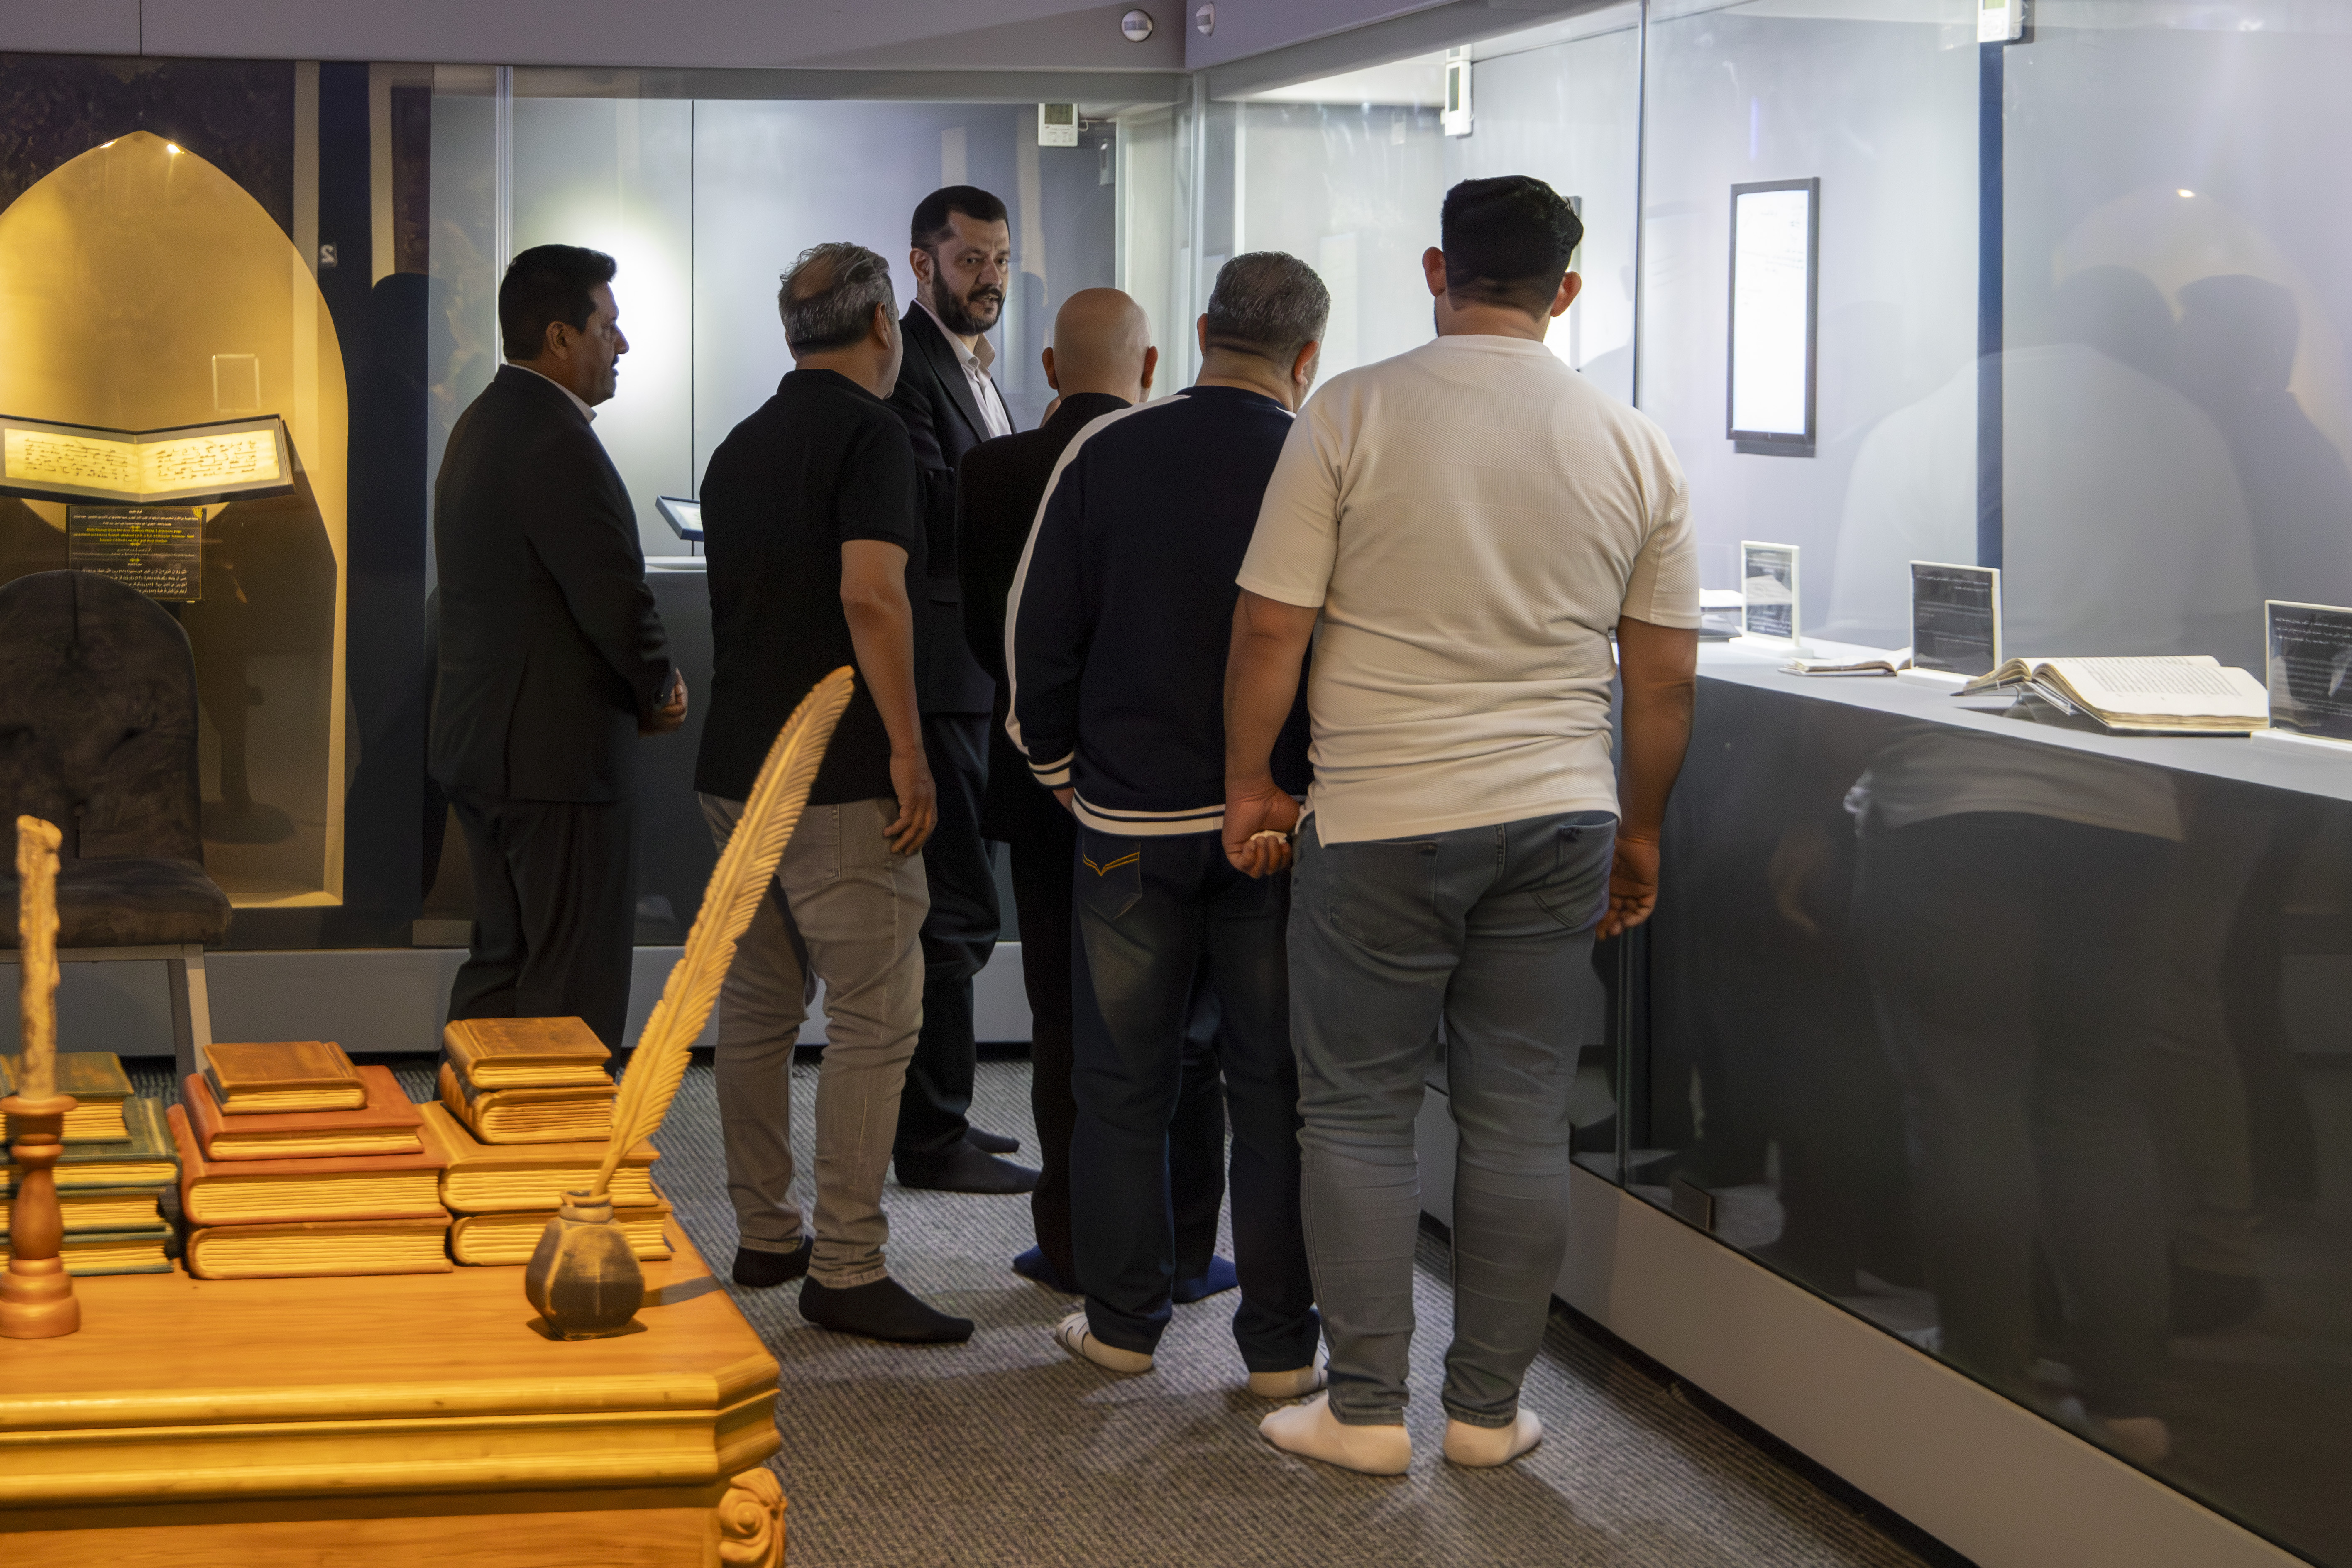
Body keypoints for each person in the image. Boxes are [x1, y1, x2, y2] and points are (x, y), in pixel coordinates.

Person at [1222, 177, 1700, 1473]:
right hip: (1560, 814)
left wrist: (1252, 780)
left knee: (1358, 1113)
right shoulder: (1633, 442)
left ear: (1438, 269)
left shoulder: (1350, 409)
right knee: (1521, 1117)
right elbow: (1662, 681)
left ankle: (1366, 1410)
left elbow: (1270, 627)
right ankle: (1488, 1414)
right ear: (1567, 289)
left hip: (1382, 813)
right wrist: (1641, 832)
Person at [1012, 254, 1330, 1397]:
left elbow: (1036, 639)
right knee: (1274, 1091)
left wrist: (1068, 778)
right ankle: (1281, 1351)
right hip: (1280, 823)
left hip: (1128, 821)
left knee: (1120, 1083)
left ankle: (1123, 1326)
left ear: (1198, 333)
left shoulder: (1105, 449)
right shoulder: (1321, 456)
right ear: (1308, 358)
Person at [693, 242, 967, 1345]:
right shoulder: (873, 434)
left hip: (734, 765)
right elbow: (871, 596)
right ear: (883, 327)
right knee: (875, 1015)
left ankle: (767, 1233)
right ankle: (848, 1265)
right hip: (841, 770)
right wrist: (907, 747)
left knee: (758, 1008)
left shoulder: (740, 443)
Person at [959, 288, 1237, 1300]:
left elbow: (983, 633)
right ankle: (1184, 1243)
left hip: (1042, 787)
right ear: (1152, 365)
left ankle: (1072, 1239)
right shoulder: (1179, 458)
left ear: (1046, 367)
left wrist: (1049, 747)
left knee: (1064, 1022)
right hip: (1168, 786)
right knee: (1187, 1034)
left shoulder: (991, 470)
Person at [430, 244, 685, 1053]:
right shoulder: (556, 439)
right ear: (559, 337)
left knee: (501, 969)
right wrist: (660, 685)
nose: (622, 344)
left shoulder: (483, 422)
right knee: (569, 992)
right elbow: (612, 593)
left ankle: (477, 1126)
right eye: (608, 326)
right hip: (558, 766)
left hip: (489, 748)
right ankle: (557, 1138)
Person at [886, 184, 1036, 1194]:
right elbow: (938, 510)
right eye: (971, 259)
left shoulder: (975, 369)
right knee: (951, 910)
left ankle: (944, 1112)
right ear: (922, 263)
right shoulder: (906, 366)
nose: (990, 278)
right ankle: (931, 1134)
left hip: (979, 677)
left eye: (1000, 259)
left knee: (962, 903)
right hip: (940, 681)